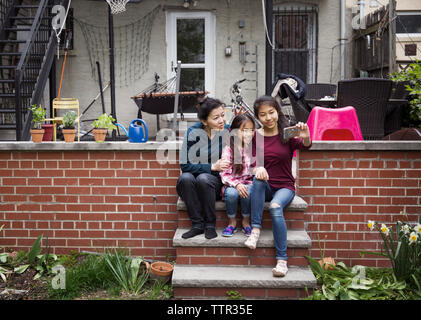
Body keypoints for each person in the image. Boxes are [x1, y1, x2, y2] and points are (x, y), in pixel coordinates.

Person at [244, 95, 311, 277]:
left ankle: (282, 261)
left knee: (275, 207)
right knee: (257, 180)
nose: (268, 118)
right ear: (258, 117)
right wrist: (258, 167)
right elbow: (250, 161)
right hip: (265, 186)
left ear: (277, 112)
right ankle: (255, 230)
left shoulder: (287, 132)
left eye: (271, 112)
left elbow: (305, 146)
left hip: (284, 187)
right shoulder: (256, 136)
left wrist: (305, 136)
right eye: (263, 114)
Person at [177, 97, 230, 239]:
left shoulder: (227, 131)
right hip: (192, 186)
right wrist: (212, 166)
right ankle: (197, 225)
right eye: (216, 118)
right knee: (185, 178)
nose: (222, 120)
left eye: (223, 115)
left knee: (204, 178)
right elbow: (185, 165)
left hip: (214, 184)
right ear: (204, 121)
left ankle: (210, 225)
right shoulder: (193, 132)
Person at [220, 113, 255, 237]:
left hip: (249, 183)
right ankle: (232, 222)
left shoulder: (254, 148)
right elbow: (224, 174)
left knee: (248, 191)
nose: (248, 134)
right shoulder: (228, 149)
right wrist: (237, 184)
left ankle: (246, 222)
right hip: (232, 184)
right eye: (244, 130)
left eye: (251, 130)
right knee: (231, 194)